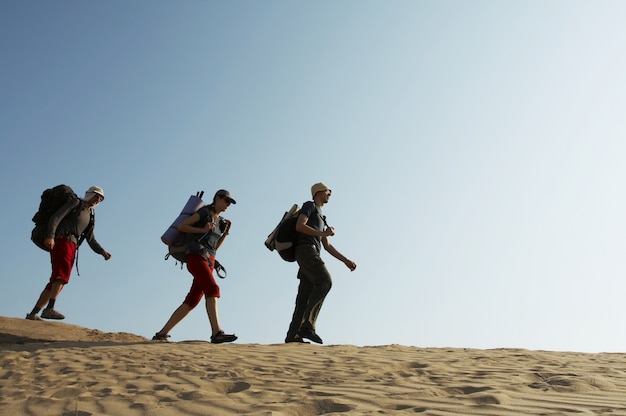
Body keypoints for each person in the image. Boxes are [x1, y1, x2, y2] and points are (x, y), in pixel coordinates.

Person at [152, 189, 238, 344]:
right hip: (196, 257)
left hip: (209, 260)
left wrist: (225, 233)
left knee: (193, 299)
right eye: (226, 201)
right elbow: (182, 226)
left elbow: (214, 248)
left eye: (230, 203)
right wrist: (202, 229)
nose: (227, 205)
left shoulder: (220, 222)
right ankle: (217, 332)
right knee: (213, 289)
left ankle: (162, 333)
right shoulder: (205, 213)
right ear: (217, 198)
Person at [285, 182, 357, 344]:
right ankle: (308, 326)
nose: (330, 193)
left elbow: (327, 245)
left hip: (311, 253)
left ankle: (292, 336)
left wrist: (345, 260)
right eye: (327, 190)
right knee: (325, 281)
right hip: (305, 250)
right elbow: (300, 226)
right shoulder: (309, 206)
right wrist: (322, 232)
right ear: (318, 192)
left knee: (304, 297)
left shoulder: (321, 217)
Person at [26, 186, 112, 321]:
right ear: (89, 194)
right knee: (61, 275)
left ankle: (33, 314)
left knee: (56, 279)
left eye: (100, 199)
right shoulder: (76, 203)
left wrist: (102, 252)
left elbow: (91, 238)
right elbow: (56, 217)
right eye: (96, 196)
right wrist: (50, 235)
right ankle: (49, 309)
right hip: (62, 239)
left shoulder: (91, 215)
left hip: (72, 245)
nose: (97, 200)